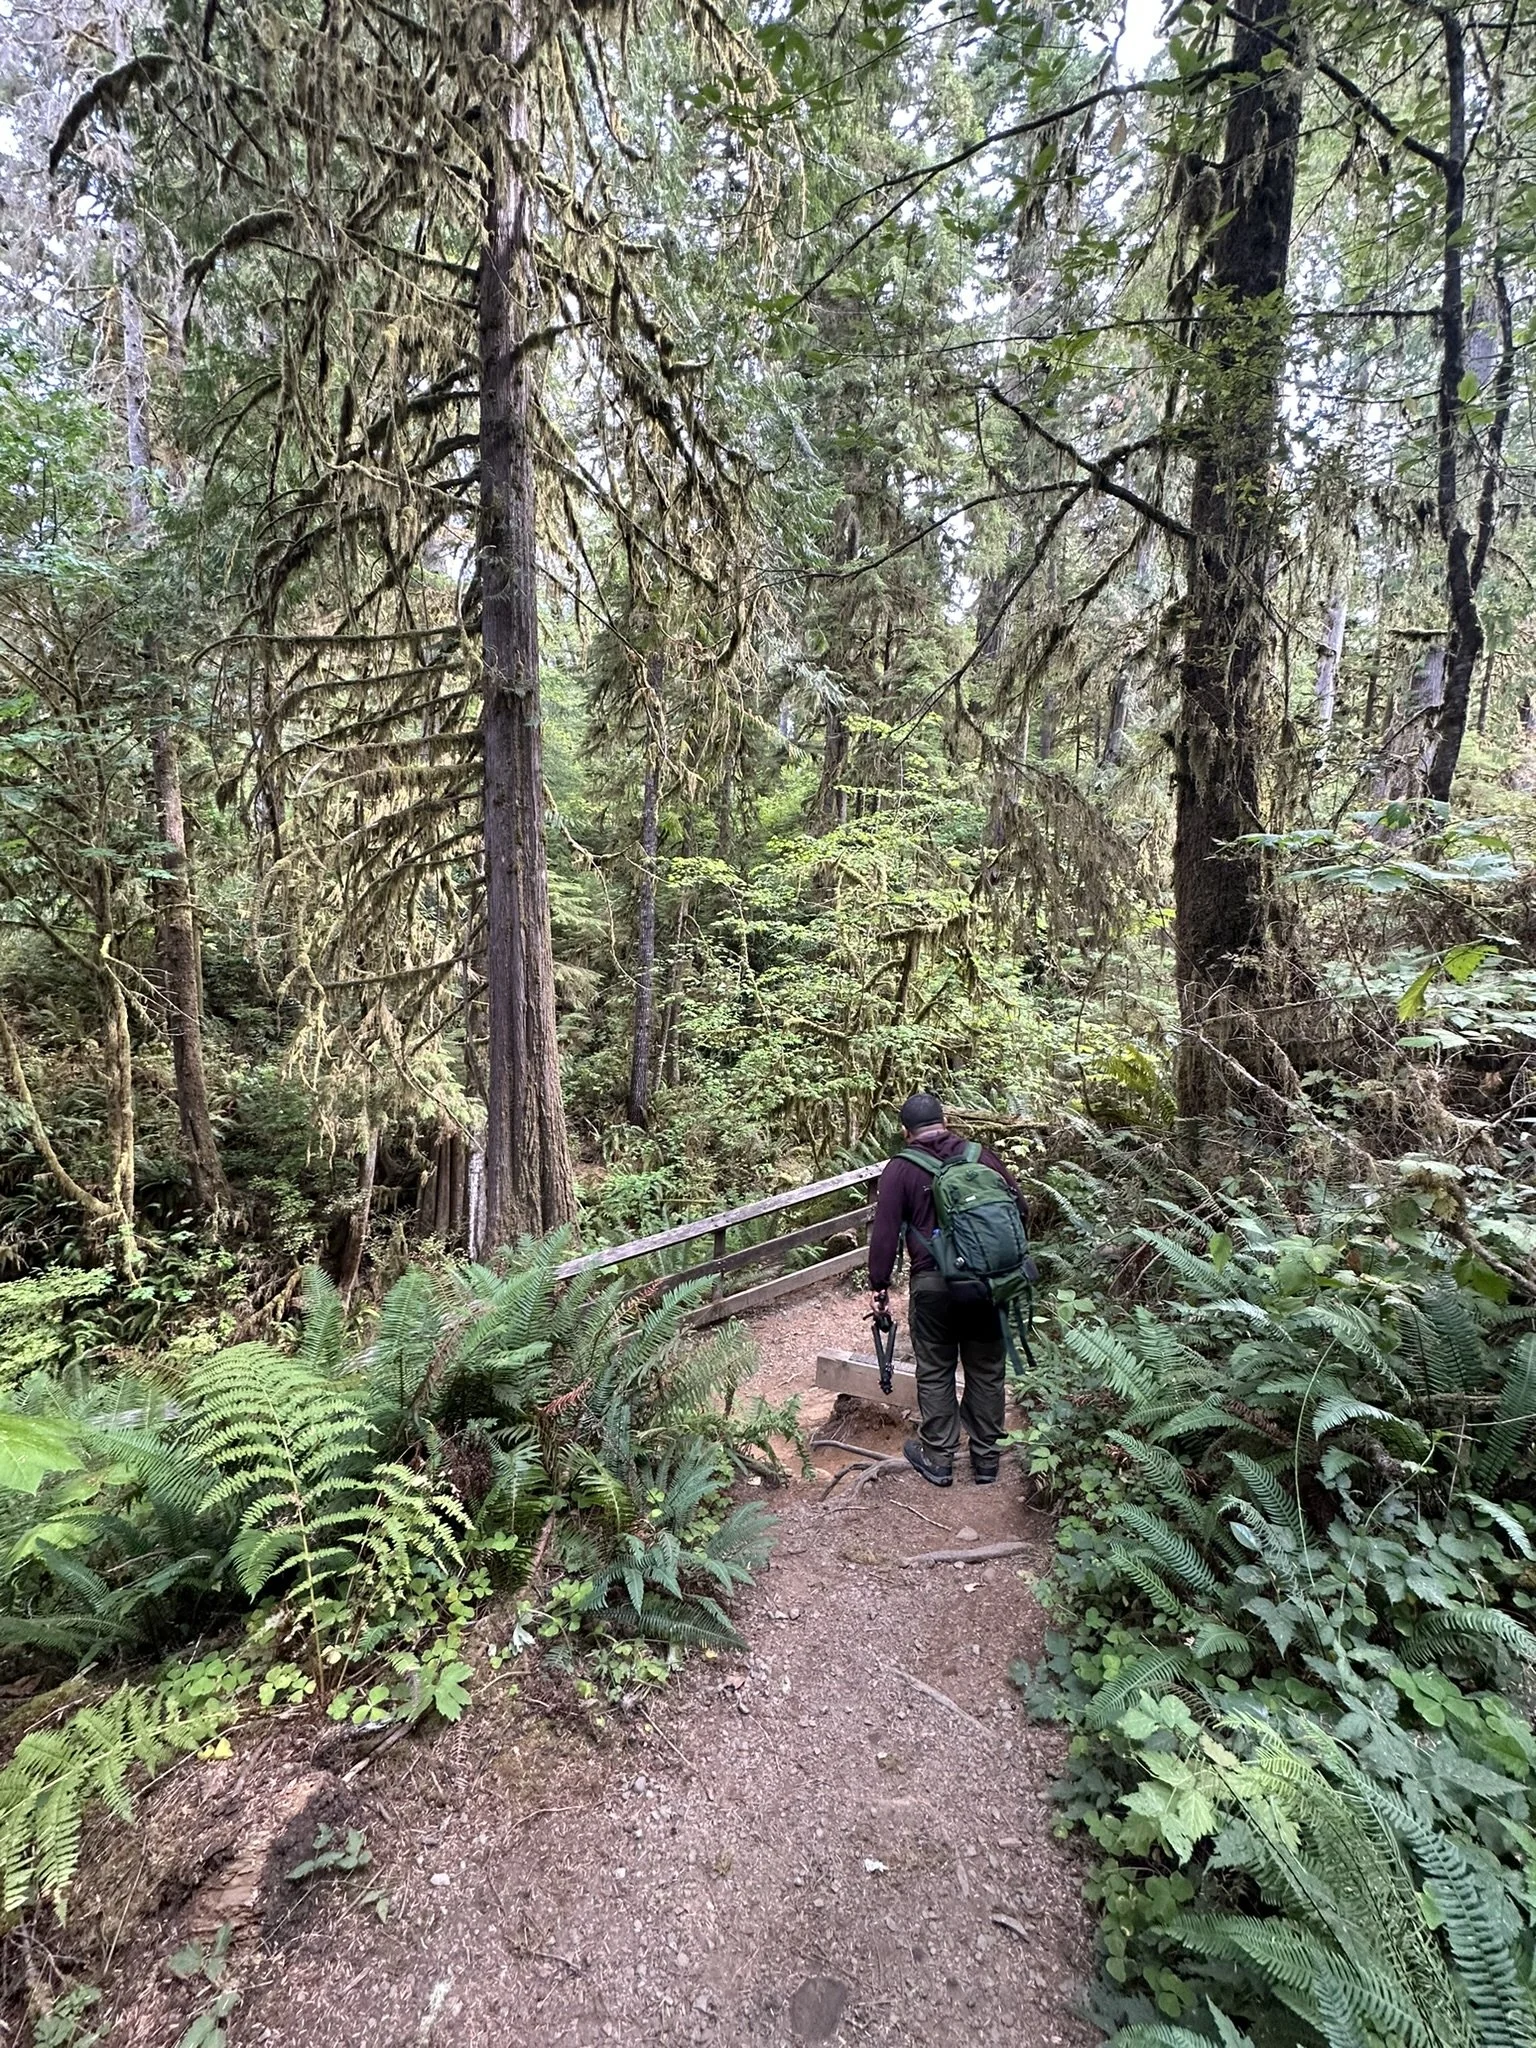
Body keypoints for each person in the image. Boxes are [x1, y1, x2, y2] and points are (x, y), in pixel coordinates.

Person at [866, 1092, 1030, 1489]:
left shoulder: (900, 1170)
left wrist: (879, 1286)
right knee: (987, 1369)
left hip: (933, 1285)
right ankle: (986, 1459)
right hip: (987, 1285)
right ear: (944, 1121)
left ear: (906, 1131)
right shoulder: (981, 1157)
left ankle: (939, 1458)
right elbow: (1021, 1209)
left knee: (937, 1368)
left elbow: (885, 1234)